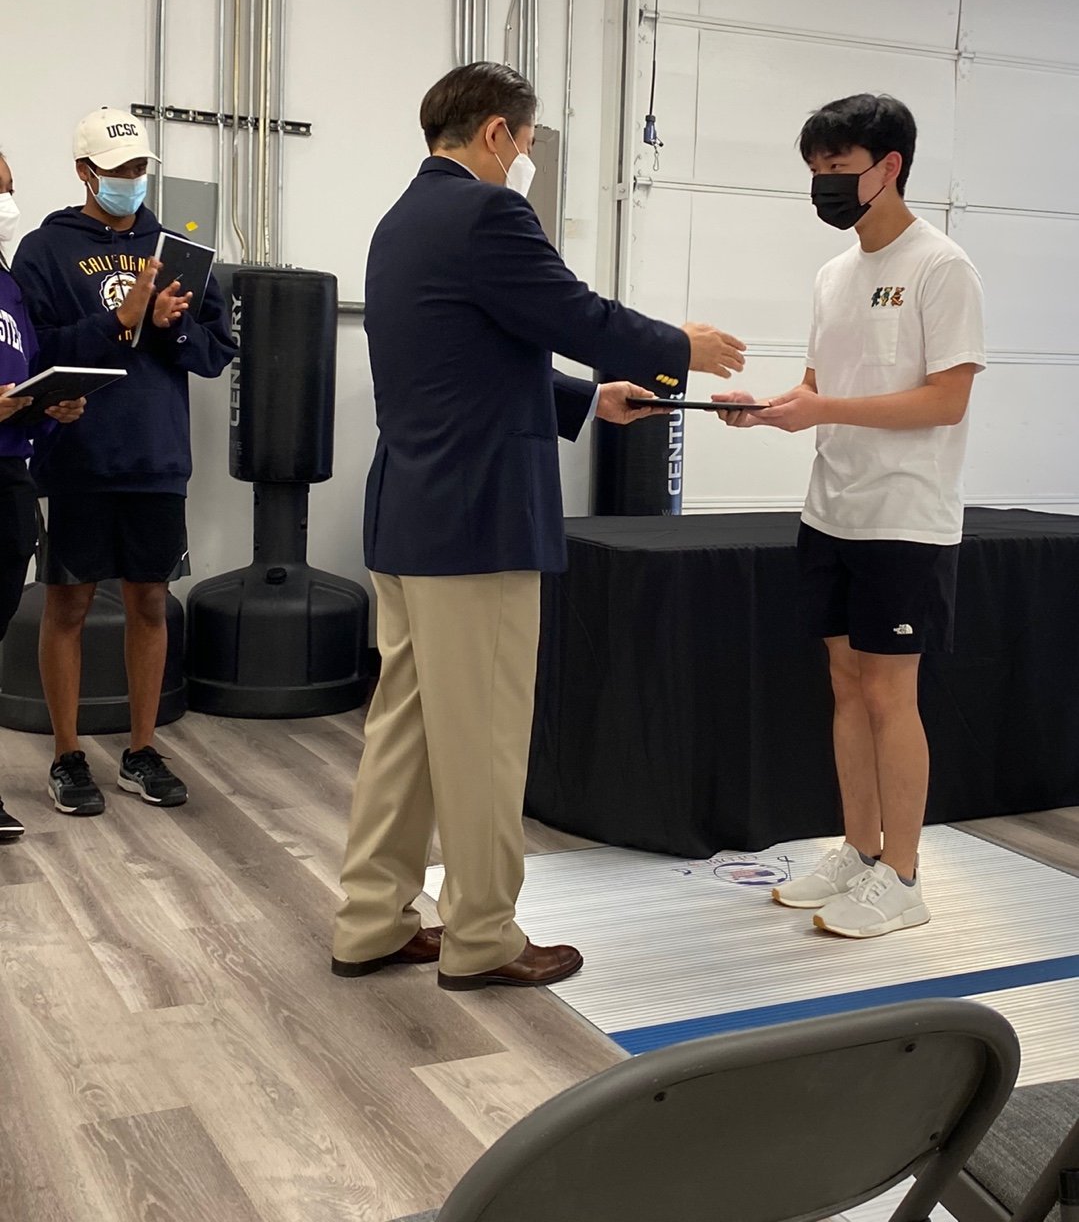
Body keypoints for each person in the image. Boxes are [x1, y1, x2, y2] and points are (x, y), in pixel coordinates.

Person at [333, 61, 747, 990]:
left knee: (403, 726)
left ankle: (370, 918)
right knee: (479, 735)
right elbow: (571, 312)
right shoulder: (488, 213)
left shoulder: (400, 221)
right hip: (478, 521)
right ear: (493, 134)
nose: (524, 159)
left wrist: (586, 401)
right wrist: (683, 347)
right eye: (525, 142)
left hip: (409, 514)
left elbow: (467, 355)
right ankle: (482, 936)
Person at [717, 93, 984, 938]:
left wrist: (825, 408)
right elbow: (817, 384)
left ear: (888, 166)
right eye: (814, 171)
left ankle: (902, 876)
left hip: (904, 518)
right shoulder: (835, 276)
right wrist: (765, 407)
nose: (823, 185)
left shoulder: (942, 267)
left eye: (837, 169)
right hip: (829, 510)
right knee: (842, 685)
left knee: (887, 693)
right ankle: (858, 851)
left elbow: (944, 401)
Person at [12, 108, 237, 818]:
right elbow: (35, 351)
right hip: (77, 454)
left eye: (140, 170)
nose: (131, 183)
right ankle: (67, 755)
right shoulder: (46, 249)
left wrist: (168, 327)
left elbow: (215, 353)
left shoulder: (182, 251)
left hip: (155, 454)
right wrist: (120, 318)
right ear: (85, 172)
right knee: (69, 603)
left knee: (148, 600)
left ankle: (141, 750)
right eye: (117, 173)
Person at [0, 149, 86, 838]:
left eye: (10, 188)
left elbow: (22, 370)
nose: (9, 203)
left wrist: (43, 405)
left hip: (10, 473)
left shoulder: (7, 286)